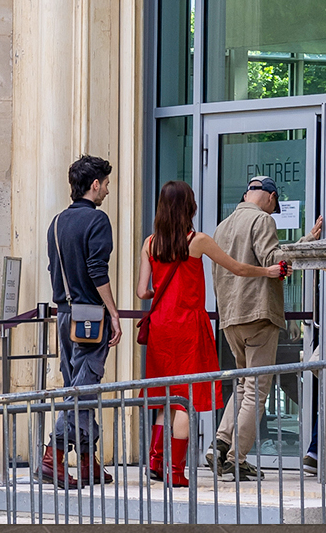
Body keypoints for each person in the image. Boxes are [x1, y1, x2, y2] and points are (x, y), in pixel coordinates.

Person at [136, 180, 284, 487]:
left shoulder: (149, 244)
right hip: (188, 325)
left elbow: (142, 292)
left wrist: (161, 289)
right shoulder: (197, 240)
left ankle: (156, 460)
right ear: (188, 207)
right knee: (185, 400)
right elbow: (238, 269)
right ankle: (176, 472)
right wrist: (267, 272)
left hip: (161, 327)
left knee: (166, 396)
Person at [207, 174, 323, 481]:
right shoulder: (262, 221)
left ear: (248, 194)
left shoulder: (223, 226)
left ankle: (221, 441)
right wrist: (307, 245)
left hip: (230, 316)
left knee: (243, 384)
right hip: (258, 313)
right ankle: (236, 457)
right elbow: (276, 264)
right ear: (270, 198)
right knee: (257, 390)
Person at [39, 154, 121, 488]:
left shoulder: (56, 223)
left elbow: (53, 270)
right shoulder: (97, 221)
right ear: (95, 184)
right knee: (84, 391)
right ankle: (52, 455)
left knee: (76, 385)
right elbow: (97, 271)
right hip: (90, 317)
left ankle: (87, 461)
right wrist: (114, 313)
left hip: (65, 313)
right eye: (106, 184)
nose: (107, 191)